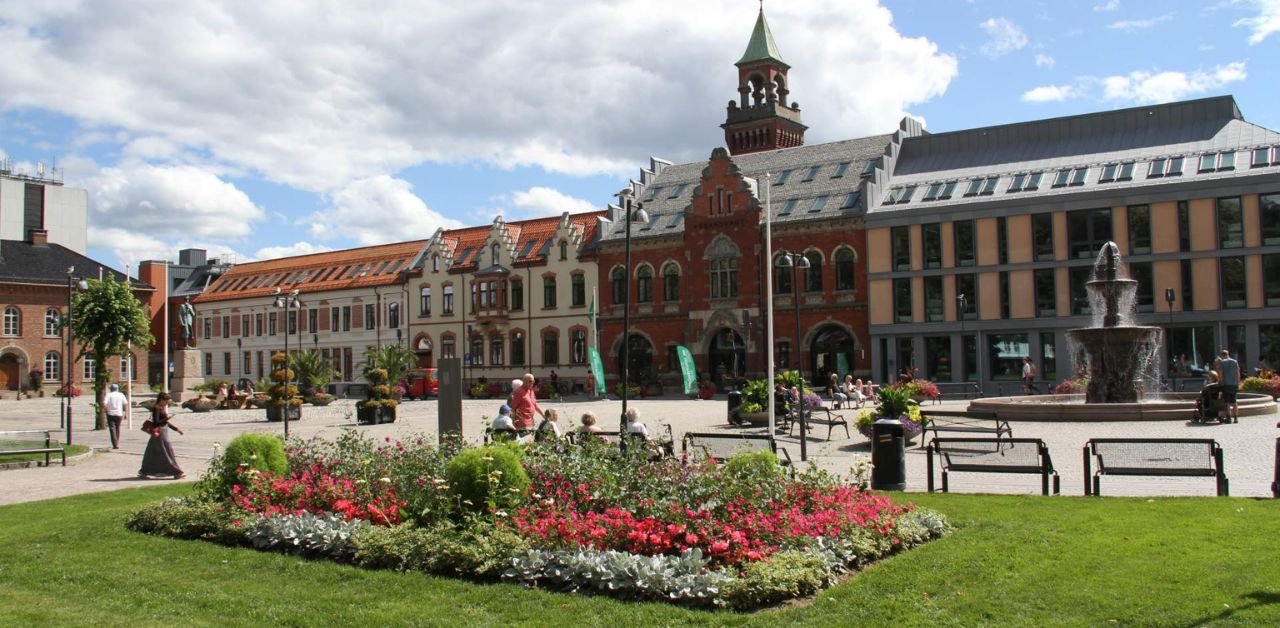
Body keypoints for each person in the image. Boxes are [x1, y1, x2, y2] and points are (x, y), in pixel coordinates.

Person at [138, 393, 185, 479]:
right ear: (161, 400)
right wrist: (167, 418)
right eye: (166, 401)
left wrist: (176, 429)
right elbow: (156, 422)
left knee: (153, 453)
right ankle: (176, 472)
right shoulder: (156, 408)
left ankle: (144, 471)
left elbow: (165, 423)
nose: (167, 403)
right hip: (160, 434)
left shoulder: (161, 408)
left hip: (162, 432)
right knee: (167, 451)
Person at [1216, 349, 1241, 423]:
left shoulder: (1222, 362)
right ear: (1228, 354)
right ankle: (1236, 418)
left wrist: (1220, 381)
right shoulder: (1234, 361)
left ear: (1222, 355)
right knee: (1234, 401)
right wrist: (1238, 382)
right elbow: (1238, 372)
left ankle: (1228, 418)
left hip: (1226, 384)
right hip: (1234, 384)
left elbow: (1220, 373)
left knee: (1227, 402)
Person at [102, 383, 128, 449]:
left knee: (112, 428)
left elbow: (104, 403)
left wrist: (105, 410)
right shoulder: (121, 395)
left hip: (110, 414)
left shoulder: (108, 395)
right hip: (119, 414)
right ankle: (117, 442)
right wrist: (126, 414)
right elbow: (125, 404)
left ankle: (115, 443)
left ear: (111, 389)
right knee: (118, 428)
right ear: (117, 389)